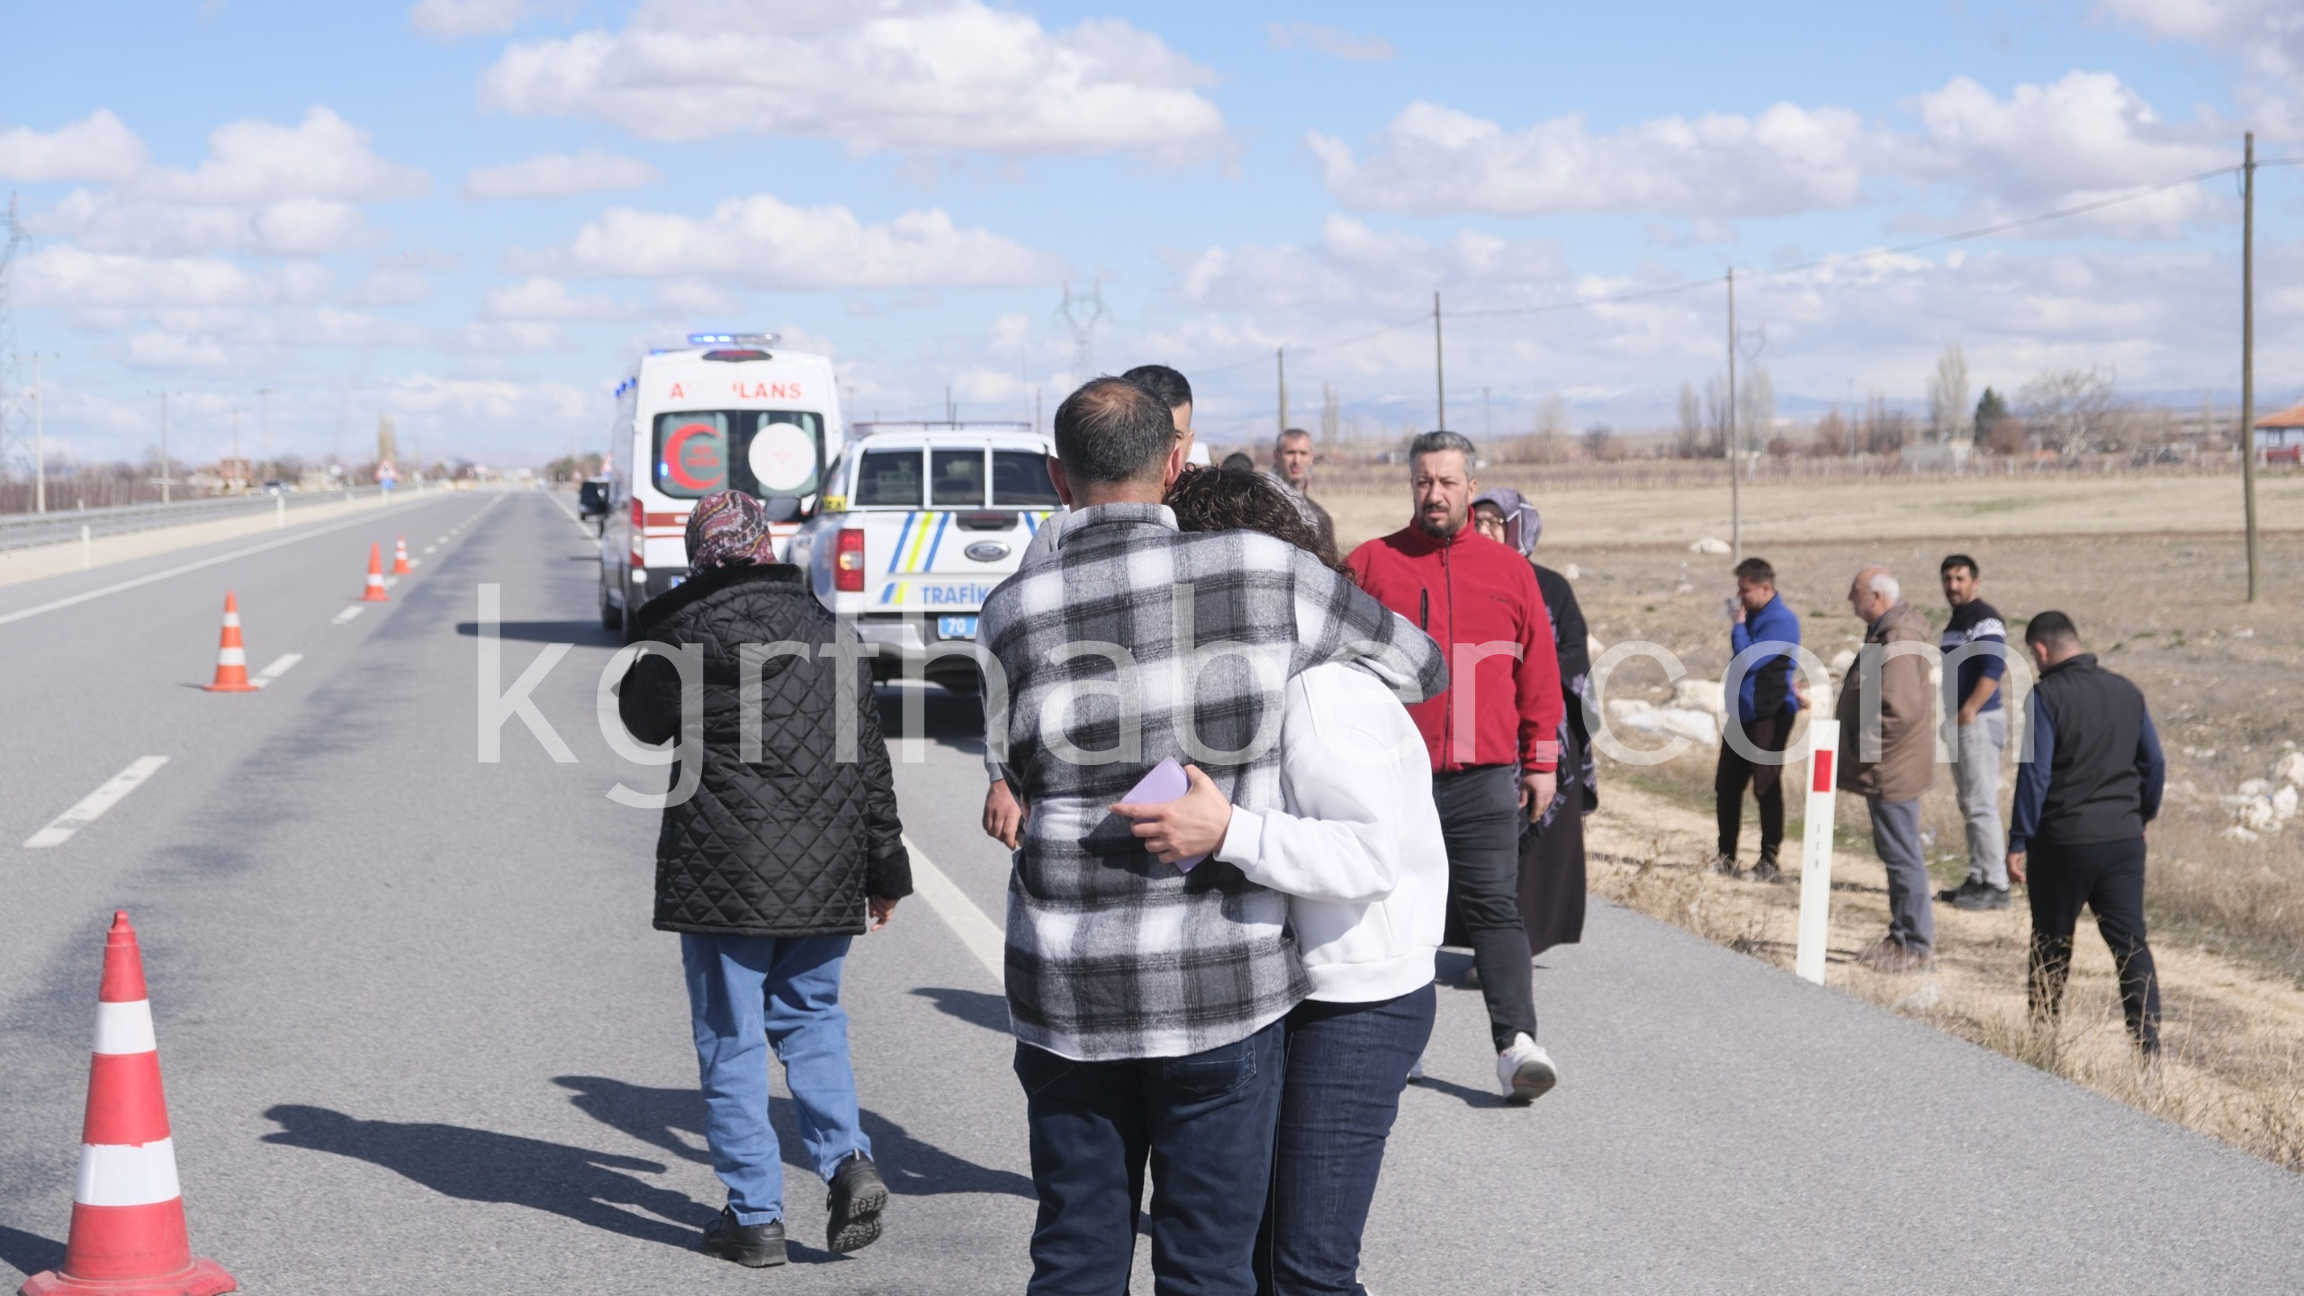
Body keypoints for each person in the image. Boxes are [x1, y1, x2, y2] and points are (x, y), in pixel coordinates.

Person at [978, 380, 1446, 1295]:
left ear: (1055, 478)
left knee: (1074, 1253)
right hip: (1218, 986)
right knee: (1206, 1264)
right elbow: (1419, 666)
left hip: (1065, 995)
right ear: (1175, 464)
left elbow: (1015, 772)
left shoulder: (1008, 613)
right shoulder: (1263, 574)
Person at [1119, 465, 1447, 1296]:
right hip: (1313, 990)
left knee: (1307, 1272)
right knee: (1274, 1264)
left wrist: (1229, 831)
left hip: (1357, 1002)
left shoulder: (1321, 688)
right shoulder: (1279, 672)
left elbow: (1368, 856)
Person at [615, 489, 910, 1268]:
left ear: (699, 552)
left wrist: (652, 625)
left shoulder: (683, 635)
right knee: (812, 1019)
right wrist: (887, 868)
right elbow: (870, 766)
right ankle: (847, 1161)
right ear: (763, 542)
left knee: (733, 1040)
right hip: (826, 870)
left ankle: (755, 1219)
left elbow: (641, 723)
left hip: (724, 875)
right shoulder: (830, 632)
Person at [1347, 431, 1566, 1104]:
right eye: (1422, 482)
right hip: (1394, 775)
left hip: (1483, 775)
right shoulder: (1369, 564)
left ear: (1472, 488)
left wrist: (1542, 761)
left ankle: (1516, 1047)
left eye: (1446, 482)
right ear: (1410, 485)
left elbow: (1540, 673)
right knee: (1397, 907)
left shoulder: (1509, 572)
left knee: (1495, 909)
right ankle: (1397, 1049)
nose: (1434, 494)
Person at [982, 363, 1200, 846]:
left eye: (1179, 434)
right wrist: (1002, 775)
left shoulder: (1214, 533)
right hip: (1081, 798)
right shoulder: (1053, 544)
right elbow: (1009, 677)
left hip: (1190, 815)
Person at [2008, 611, 2165, 1056]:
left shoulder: (2044, 697)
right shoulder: (2127, 692)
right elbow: (2153, 764)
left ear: (2041, 650)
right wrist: (2140, 818)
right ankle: (2147, 1047)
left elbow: (2034, 776)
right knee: (2131, 946)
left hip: (2063, 842)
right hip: (2122, 840)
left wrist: (2019, 838)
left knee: (2051, 943)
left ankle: (2042, 1041)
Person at [1473, 489, 1594, 956]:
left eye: (1495, 523)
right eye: (1477, 521)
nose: (1483, 531)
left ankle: (1522, 943)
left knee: (1536, 844)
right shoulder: (1465, 578)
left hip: (1546, 735)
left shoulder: (1550, 586)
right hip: (1481, 728)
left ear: (1520, 528)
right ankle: (1490, 944)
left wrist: (1522, 671)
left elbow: (1574, 653)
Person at [1835, 566, 1937, 973]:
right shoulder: (1889, 632)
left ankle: (1913, 945)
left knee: (1902, 855)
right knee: (1897, 853)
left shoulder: (1897, 637)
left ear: (1877, 597)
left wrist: (1869, 753)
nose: (1849, 599)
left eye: (1855, 591)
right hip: (1891, 764)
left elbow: (1900, 708)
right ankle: (1902, 937)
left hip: (1891, 767)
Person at [1712, 557, 1802, 881]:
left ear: (1765, 588)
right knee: (1727, 786)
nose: (1740, 596)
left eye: (1745, 590)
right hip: (1743, 714)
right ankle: (1726, 857)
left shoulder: (1781, 620)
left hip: (1770, 714)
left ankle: (1769, 860)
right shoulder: (1754, 615)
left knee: (1765, 786)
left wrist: (1737, 625)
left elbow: (1749, 660)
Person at [1935, 554, 2013, 910]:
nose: (1953, 585)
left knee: (1981, 803)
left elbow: (1993, 667)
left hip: (1978, 720)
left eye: (1960, 579)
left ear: (1975, 583)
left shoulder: (1984, 618)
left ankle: (1997, 884)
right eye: (1948, 578)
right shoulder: (1957, 621)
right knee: (1968, 802)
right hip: (1961, 720)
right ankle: (1978, 876)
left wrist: (1968, 709)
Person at [1268, 427, 1336, 553]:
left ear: (1311, 457)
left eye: (1303, 453)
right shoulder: (1261, 500)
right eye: (1290, 453)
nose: (1296, 461)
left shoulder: (1319, 515)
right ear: (1276, 455)